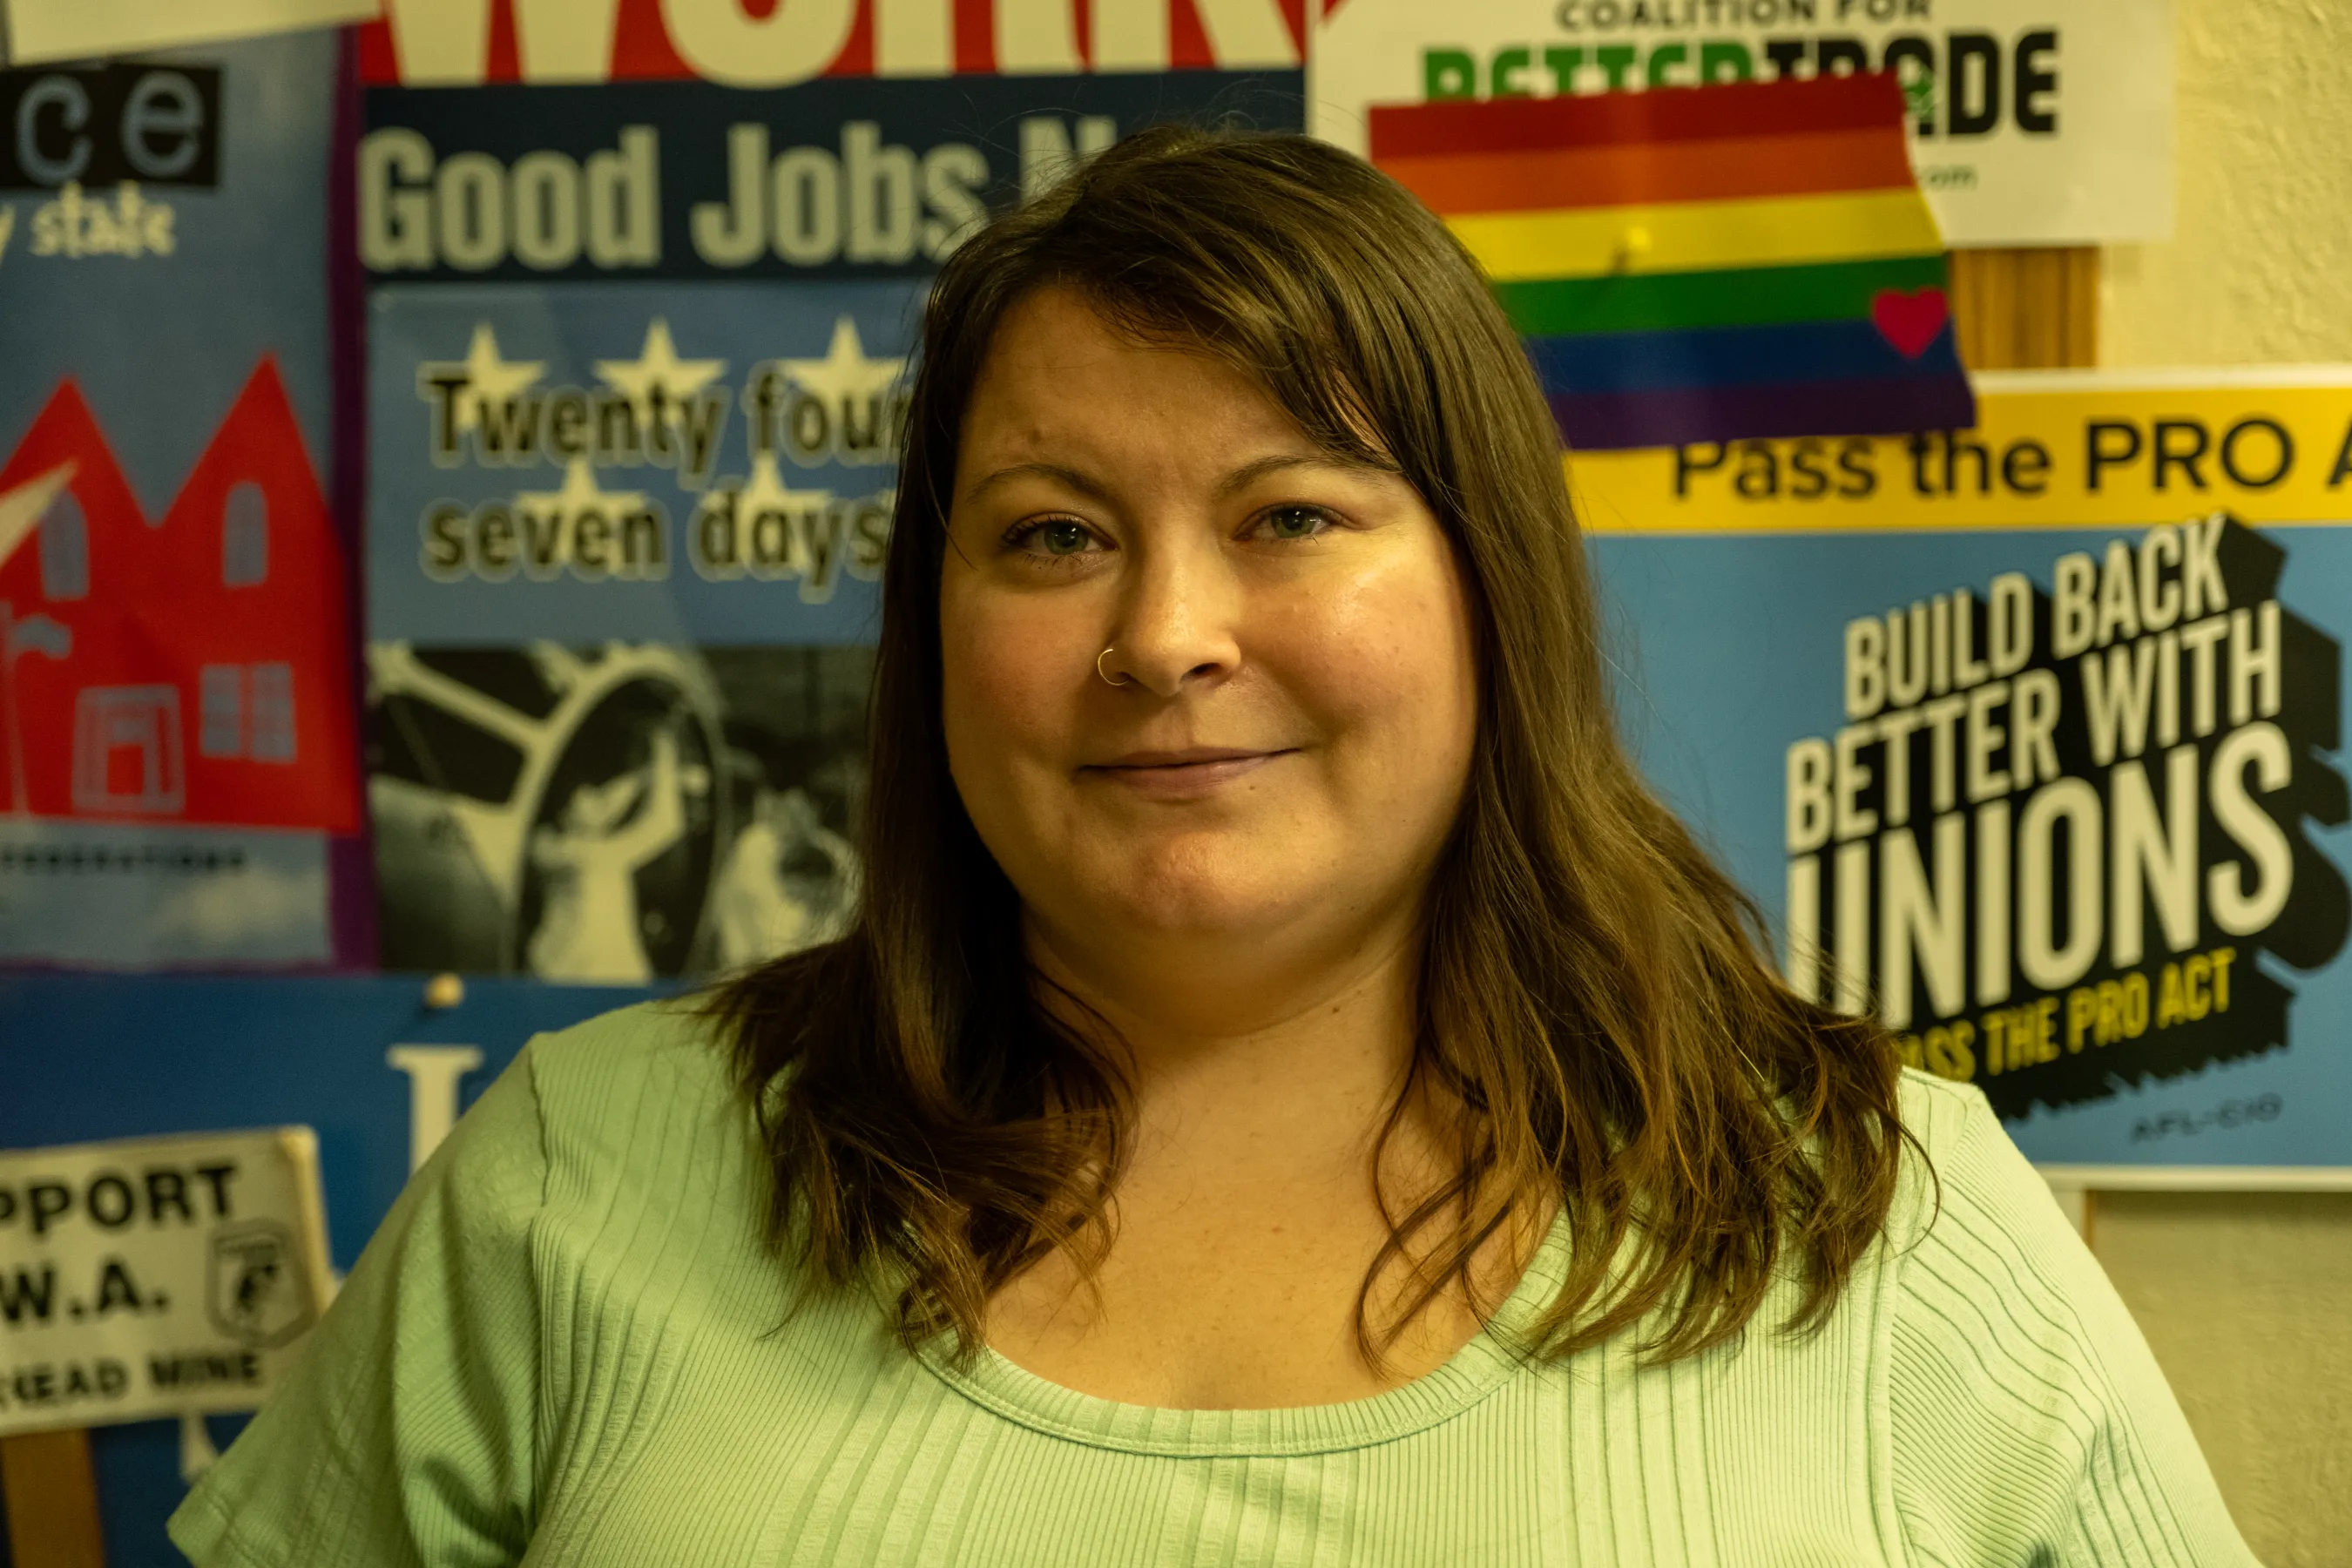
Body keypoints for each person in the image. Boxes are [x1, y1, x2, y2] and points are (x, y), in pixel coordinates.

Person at [172, 126, 2258, 1566]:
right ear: (934, 631)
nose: (1164, 639)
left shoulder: (1880, 1223)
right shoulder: (574, 1184)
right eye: (1055, 535)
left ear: (1486, 592)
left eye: (1290, 515)